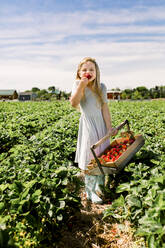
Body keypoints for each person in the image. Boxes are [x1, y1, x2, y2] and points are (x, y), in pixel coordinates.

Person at [70, 57, 118, 204]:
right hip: (89, 126)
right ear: (79, 73)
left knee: (102, 155)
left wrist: (109, 127)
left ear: (97, 72)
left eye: (91, 69)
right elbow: (74, 103)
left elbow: (104, 108)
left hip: (101, 125)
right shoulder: (78, 84)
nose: (88, 72)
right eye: (84, 70)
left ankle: (100, 185)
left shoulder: (101, 87)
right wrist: (82, 86)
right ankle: (90, 191)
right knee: (91, 158)